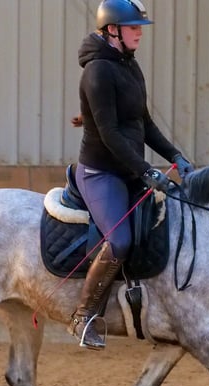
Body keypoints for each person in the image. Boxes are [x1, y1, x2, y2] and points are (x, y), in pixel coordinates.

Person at [69, 0, 194, 350]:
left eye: (139, 27)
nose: (139, 32)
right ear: (113, 30)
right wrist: (146, 170)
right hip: (101, 172)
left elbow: (144, 124)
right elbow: (109, 134)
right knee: (120, 241)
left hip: (129, 170)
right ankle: (83, 316)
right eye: (133, 27)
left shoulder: (130, 66)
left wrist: (175, 155)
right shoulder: (97, 72)